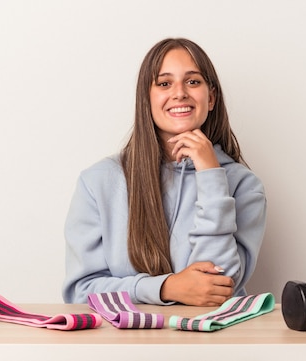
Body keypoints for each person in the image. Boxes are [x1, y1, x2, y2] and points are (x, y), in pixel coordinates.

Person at [63, 38, 266, 307]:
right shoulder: (98, 181)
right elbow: (80, 292)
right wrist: (166, 288)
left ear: (212, 97)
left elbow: (218, 289)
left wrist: (211, 176)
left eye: (193, 81)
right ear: (146, 98)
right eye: (164, 83)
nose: (180, 93)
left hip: (211, 340)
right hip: (124, 344)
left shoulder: (243, 185)